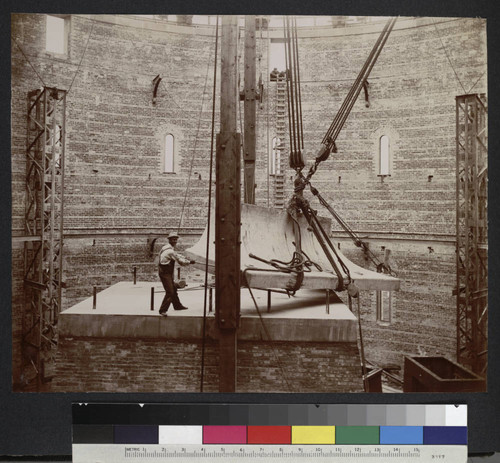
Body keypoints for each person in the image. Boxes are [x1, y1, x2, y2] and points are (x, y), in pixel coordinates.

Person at [158, 232, 195, 316]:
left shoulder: (165, 248)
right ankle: (162, 310)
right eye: (173, 239)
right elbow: (180, 261)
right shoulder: (170, 251)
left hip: (166, 272)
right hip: (165, 273)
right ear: (169, 240)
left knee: (174, 289)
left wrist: (185, 257)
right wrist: (190, 262)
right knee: (170, 292)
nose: (175, 241)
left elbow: (177, 255)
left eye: (176, 239)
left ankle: (177, 305)